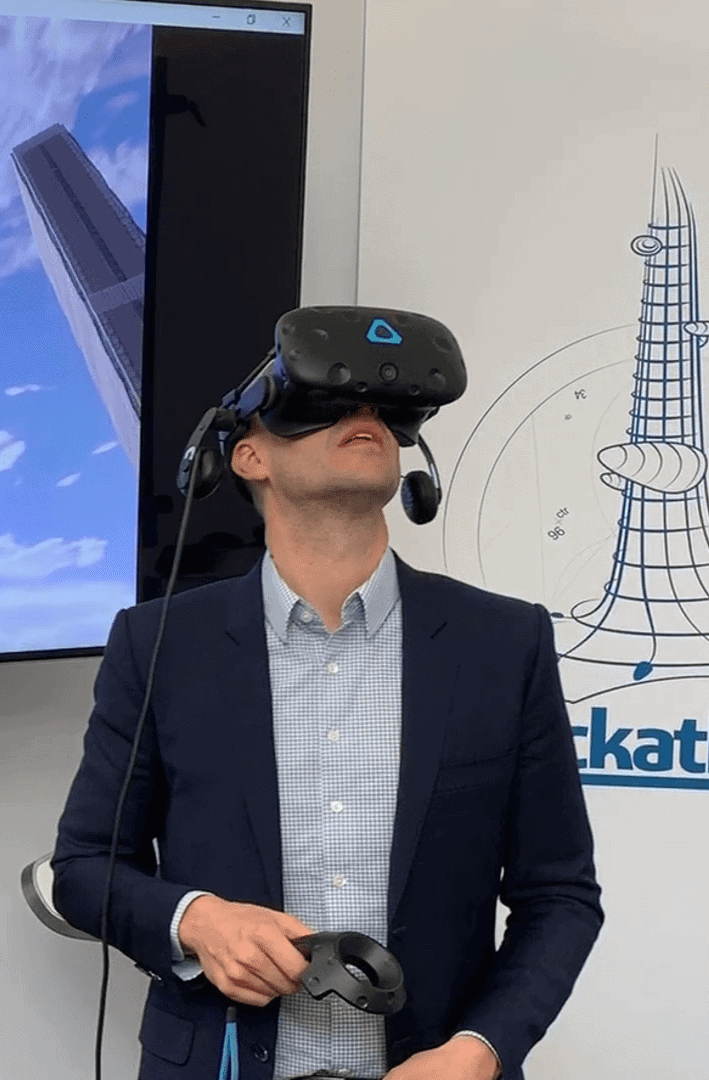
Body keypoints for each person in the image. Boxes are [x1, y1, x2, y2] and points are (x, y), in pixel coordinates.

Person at [50, 401, 603, 1080]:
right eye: (323, 402)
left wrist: (480, 1049)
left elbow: (560, 895)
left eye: (380, 403)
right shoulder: (158, 644)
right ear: (249, 455)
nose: (363, 412)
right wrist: (196, 921)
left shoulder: (504, 642)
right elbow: (84, 867)